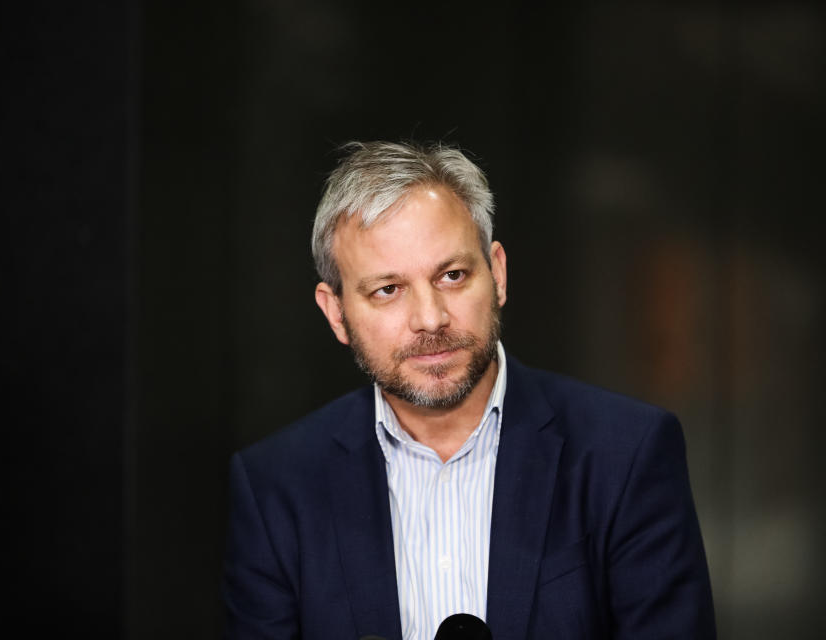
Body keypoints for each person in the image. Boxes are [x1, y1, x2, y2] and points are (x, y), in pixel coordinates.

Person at [222, 141, 716, 640]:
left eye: (453, 275)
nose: (430, 319)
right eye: (388, 290)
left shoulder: (625, 455)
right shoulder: (277, 487)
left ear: (496, 274)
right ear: (336, 313)